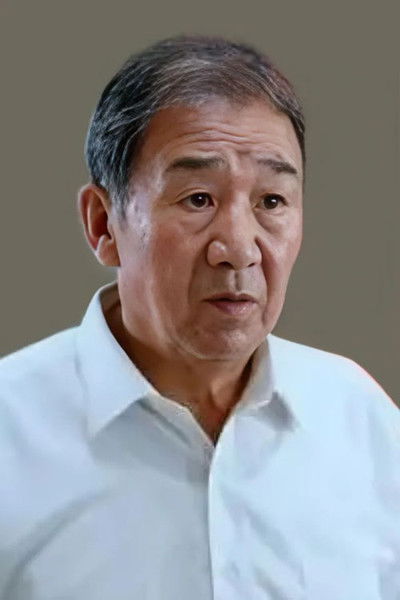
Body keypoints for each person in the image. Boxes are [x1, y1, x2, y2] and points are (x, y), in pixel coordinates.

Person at [0, 35, 399, 600]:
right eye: (198, 199)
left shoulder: (360, 419)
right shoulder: (10, 432)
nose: (238, 248)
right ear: (103, 224)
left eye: (271, 202)